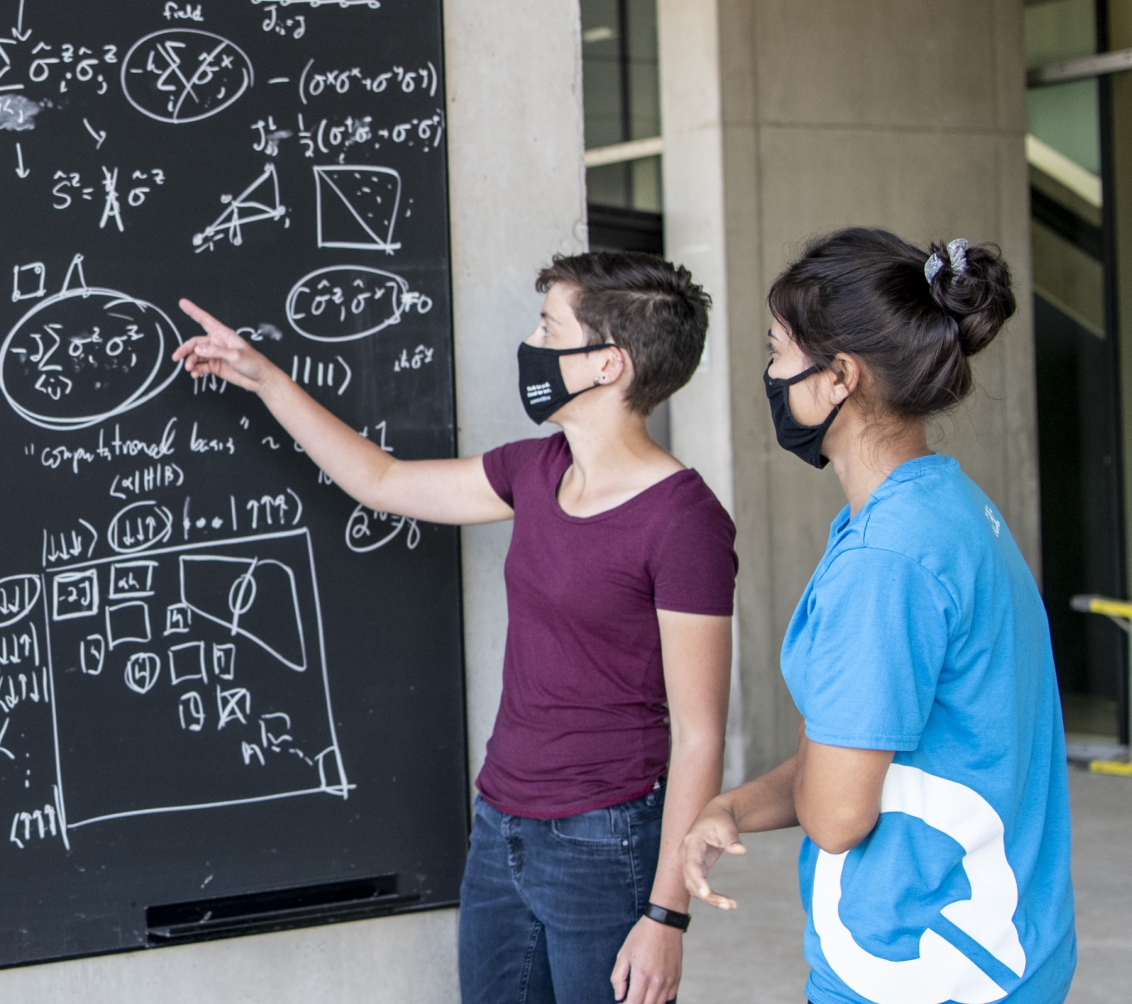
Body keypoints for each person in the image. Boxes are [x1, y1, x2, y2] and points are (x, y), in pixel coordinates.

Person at [175, 251, 734, 1004]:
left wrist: (667, 914)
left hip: (606, 839)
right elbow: (382, 482)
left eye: (548, 328)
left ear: (608, 364)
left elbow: (700, 736)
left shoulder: (685, 522)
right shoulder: (535, 471)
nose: (532, 346)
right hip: (501, 823)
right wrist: (264, 378)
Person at [678, 228, 1075, 1004]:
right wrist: (730, 806)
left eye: (778, 352)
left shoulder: (885, 562)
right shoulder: (945, 507)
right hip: (1000, 950)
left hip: (921, 970)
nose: (771, 375)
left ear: (839, 379)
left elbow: (836, 813)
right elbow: (864, 751)